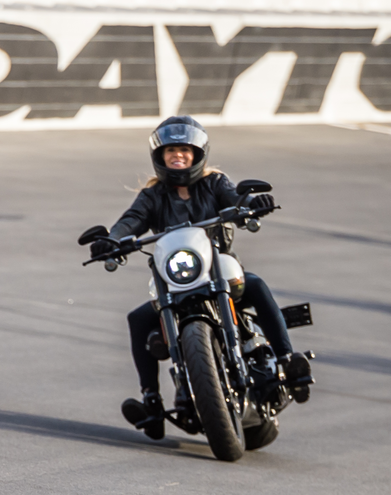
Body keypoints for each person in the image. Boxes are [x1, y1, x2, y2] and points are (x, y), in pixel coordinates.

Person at [94, 115, 311, 438]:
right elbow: (132, 220)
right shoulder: (152, 195)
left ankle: (287, 361)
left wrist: (251, 203)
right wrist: (112, 239)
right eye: (170, 151)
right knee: (138, 319)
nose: (177, 156)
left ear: (197, 154)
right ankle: (151, 399)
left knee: (255, 284)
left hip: (219, 270)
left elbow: (236, 198)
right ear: (160, 156)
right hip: (176, 279)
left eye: (184, 150)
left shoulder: (214, 183)